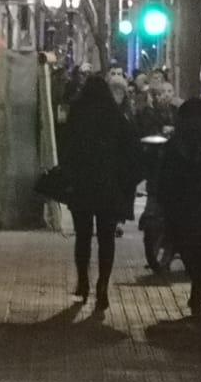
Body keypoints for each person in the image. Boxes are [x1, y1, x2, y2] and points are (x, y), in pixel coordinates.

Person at [58, 75, 143, 312]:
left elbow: (66, 147)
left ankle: (83, 281)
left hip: (82, 186)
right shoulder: (115, 116)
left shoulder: (77, 114)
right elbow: (133, 149)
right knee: (106, 238)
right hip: (108, 187)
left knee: (83, 237)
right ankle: (102, 285)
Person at [155, 99, 201, 316]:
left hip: (181, 205)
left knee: (185, 246)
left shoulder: (176, 143)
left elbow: (165, 176)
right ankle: (198, 284)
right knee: (200, 247)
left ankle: (197, 283)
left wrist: (163, 199)